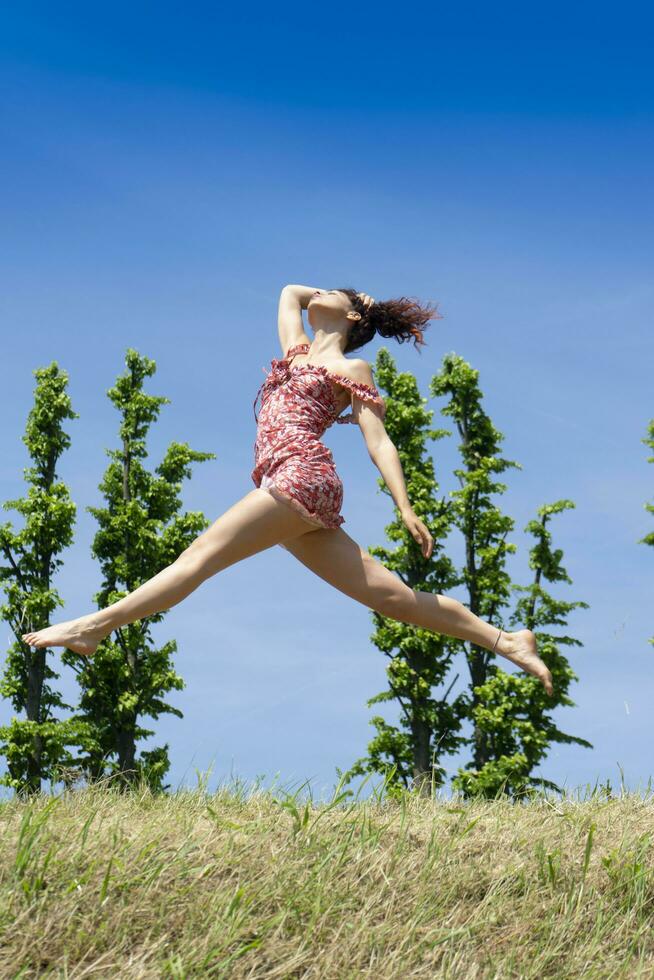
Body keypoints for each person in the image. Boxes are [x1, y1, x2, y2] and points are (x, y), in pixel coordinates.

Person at [22, 284, 553, 696]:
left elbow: (379, 441)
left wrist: (405, 508)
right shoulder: (294, 352)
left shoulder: (352, 366)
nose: (317, 296)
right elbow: (289, 292)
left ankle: (94, 626)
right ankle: (506, 640)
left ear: (351, 317)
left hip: (303, 475)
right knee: (394, 599)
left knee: (198, 559)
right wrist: (346, 297)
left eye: (335, 295)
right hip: (290, 487)